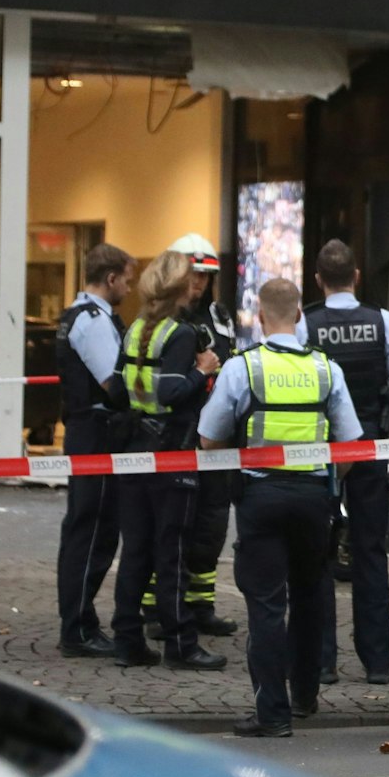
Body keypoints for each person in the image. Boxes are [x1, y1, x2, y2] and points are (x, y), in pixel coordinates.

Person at [199, 278, 364, 738]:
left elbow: (210, 437)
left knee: (267, 605)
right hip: (313, 498)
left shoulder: (243, 368)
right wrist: (329, 483)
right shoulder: (326, 369)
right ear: (298, 314)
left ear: (260, 314)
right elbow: (350, 444)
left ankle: (272, 714)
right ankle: (306, 695)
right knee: (311, 597)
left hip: (261, 497)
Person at [299, 239, 389, 685]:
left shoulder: (306, 322)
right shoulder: (381, 320)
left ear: (318, 280)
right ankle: (378, 663)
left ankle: (322, 661)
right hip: (369, 446)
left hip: (321, 452)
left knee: (318, 556)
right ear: (357, 276)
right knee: (369, 552)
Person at [108, 250, 226, 671]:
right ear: (179, 289)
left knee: (136, 551)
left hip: (134, 451)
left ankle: (127, 640)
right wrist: (204, 370)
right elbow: (175, 392)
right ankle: (181, 644)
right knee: (171, 551)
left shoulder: (136, 328)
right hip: (171, 453)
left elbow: (117, 391)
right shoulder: (179, 334)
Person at [147, 232, 239, 639]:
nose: (199, 282)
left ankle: (201, 605)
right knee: (168, 525)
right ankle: (156, 607)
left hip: (217, 437)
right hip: (177, 436)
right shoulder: (165, 323)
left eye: (205, 274)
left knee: (211, 524)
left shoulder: (220, 315)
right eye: (193, 273)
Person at [54, 245, 132, 658]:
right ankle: (78, 627)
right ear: (112, 278)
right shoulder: (95, 321)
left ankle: (78, 621)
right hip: (97, 432)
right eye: (127, 278)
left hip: (86, 430)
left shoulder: (75, 316)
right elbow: (113, 386)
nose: (129, 286)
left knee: (86, 528)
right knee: (93, 530)